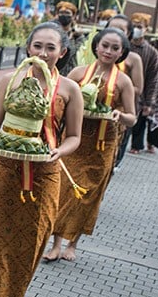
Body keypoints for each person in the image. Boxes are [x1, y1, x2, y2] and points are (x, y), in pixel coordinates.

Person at [0, 21, 83, 297]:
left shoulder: (70, 89)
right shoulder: (11, 80)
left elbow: (74, 137)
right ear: (28, 48)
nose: (43, 53)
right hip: (5, 168)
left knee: (33, 241)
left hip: (45, 174)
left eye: (51, 48)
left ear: (62, 52)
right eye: (37, 46)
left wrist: (59, 151)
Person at [42, 28, 137, 262]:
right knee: (64, 191)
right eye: (105, 45)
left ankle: (73, 244)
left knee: (87, 195)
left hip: (102, 146)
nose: (108, 51)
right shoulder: (79, 73)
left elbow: (133, 117)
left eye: (115, 48)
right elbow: (59, 100)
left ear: (122, 52)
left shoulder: (123, 82)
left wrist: (119, 115)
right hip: (74, 141)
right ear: (96, 46)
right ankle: (55, 243)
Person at [106, 14, 144, 171]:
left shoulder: (133, 59)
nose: (115, 32)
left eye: (120, 29)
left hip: (117, 113)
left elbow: (138, 88)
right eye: (111, 27)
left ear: (128, 34)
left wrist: (115, 89)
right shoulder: (95, 53)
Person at [127, 12, 158, 155]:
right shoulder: (124, 46)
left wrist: (149, 102)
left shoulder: (152, 52)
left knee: (139, 120)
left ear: (146, 29)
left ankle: (136, 145)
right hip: (121, 90)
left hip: (140, 93)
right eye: (133, 26)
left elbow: (153, 78)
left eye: (139, 26)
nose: (136, 29)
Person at [53, 1, 86, 76]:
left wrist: (72, 37)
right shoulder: (52, 32)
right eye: (61, 12)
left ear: (74, 16)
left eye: (67, 13)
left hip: (70, 73)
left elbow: (72, 52)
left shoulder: (78, 35)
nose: (64, 15)